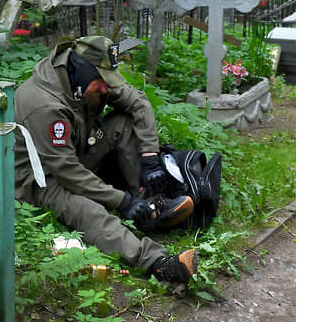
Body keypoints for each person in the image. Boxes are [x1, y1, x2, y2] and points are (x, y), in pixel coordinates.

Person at [12, 36, 198, 283]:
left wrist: (150, 157)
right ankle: (157, 263)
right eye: (101, 82)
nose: (105, 89)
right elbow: (67, 172)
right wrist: (121, 201)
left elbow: (138, 102)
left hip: (75, 154)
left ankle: (149, 209)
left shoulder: (86, 79)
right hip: (41, 179)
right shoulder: (43, 105)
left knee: (124, 122)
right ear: (79, 70)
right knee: (88, 210)